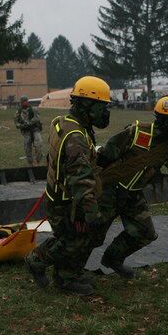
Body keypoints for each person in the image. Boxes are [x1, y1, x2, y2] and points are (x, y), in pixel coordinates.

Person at [25, 76, 111, 296]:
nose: (105, 112)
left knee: (76, 237)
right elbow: (81, 181)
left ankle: (68, 274)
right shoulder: (76, 138)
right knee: (72, 240)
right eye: (102, 106)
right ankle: (37, 261)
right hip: (67, 202)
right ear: (86, 105)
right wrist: (91, 212)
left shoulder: (65, 123)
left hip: (60, 196)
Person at [92, 95, 168, 279]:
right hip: (109, 192)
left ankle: (112, 259)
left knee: (145, 232)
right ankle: (65, 269)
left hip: (132, 196)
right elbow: (105, 156)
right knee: (92, 235)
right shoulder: (136, 132)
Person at [14, 96, 43, 166]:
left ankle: (38, 160)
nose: (26, 102)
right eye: (24, 101)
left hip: (35, 129)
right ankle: (30, 162)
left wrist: (28, 123)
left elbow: (37, 118)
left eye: (27, 101)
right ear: (21, 103)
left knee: (38, 144)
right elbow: (16, 121)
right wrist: (20, 125)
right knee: (27, 147)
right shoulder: (18, 112)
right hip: (26, 132)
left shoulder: (33, 109)